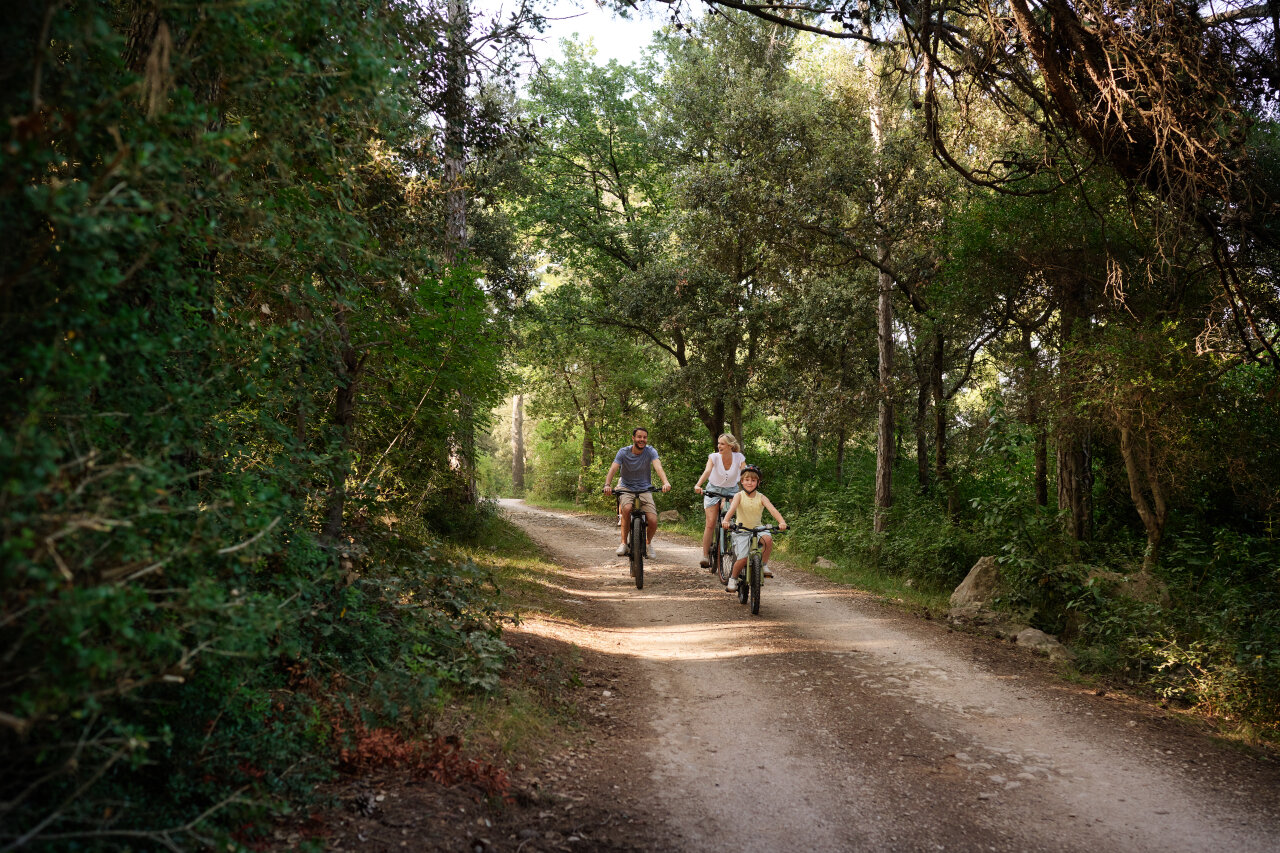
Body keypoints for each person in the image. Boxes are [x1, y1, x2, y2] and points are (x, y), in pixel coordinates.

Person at [603, 427, 671, 558]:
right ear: (633, 438)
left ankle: (648, 543)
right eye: (639, 437)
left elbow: (658, 467)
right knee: (627, 509)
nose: (642, 440)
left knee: (653, 520)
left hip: (645, 488)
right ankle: (623, 543)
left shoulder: (650, 451)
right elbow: (613, 468)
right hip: (626, 488)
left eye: (644, 437)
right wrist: (607, 485)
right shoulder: (623, 452)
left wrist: (665, 482)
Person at [720, 465, 787, 592]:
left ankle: (763, 564)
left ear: (758, 482)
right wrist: (726, 520)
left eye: (753, 480)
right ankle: (733, 578)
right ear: (742, 481)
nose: (749, 483)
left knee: (767, 539)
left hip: (758, 528)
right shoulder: (739, 496)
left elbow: (773, 510)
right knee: (743, 558)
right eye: (746, 480)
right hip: (742, 530)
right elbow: (732, 509)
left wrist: (781, 522)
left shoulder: (761, 497)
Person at [693, 433, 748, 570]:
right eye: (718, 443)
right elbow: (707, 471)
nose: (719, 446)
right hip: (713, 489)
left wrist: (749, 488)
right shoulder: (714, 457)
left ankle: (734, 549)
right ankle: (705, 555)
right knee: (711, 523)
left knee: (728, 521)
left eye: (722, 444)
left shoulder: (739, 457)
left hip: (731, 491)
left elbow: (745, 473)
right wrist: (698, 485)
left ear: (730, 446)